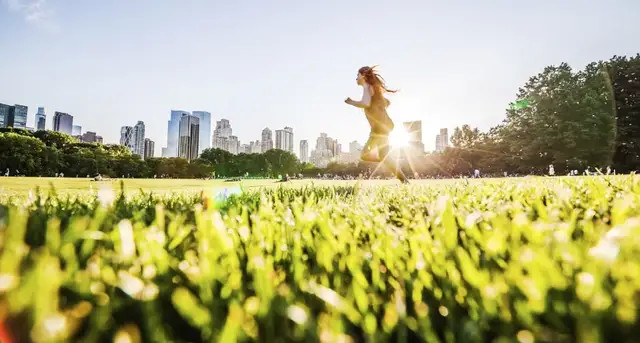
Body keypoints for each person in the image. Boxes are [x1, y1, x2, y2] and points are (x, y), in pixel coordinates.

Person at [345, 66, 408, 183]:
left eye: (357, 75)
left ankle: (391, 164)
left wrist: (351, 102)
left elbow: (366, 103)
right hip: (384, 126)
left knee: (365, 155)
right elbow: (387, 102)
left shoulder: (367, 86)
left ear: (363, 76)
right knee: (384, 156)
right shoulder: (372, 88)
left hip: (379, 128)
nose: (356, 78)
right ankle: (402, 178)